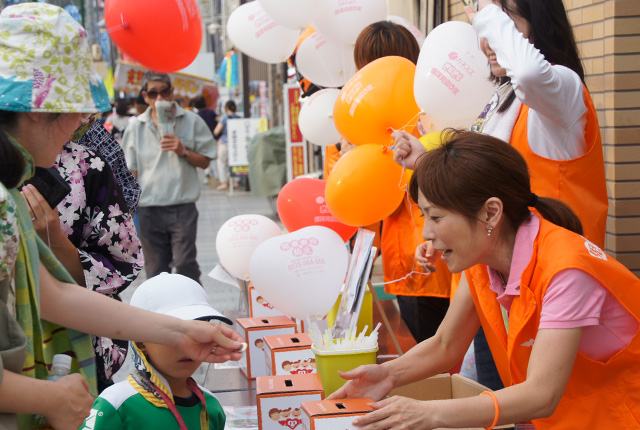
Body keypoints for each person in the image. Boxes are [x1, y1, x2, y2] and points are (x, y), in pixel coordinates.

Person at [0, 5, 244, 430]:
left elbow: (54, 294)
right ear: (36, 109)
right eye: (77, 111)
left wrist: (179, 332)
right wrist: (45, 396)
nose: (83, 125)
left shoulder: (11, 199)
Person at [329, 130, 640, 429]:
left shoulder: (567, 271)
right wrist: (387, 374)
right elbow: (446, 344)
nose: (427, 233)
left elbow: (541, 395)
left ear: (491, 212)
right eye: (425, 217)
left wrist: (428, 412)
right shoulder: (482, 255)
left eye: (436, 217)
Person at [392, 0, 608, 388]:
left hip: (554, 298)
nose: (488, 40)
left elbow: (527, 70)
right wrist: (427, 167)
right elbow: (482, 186)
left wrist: (484, 10)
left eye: (508, 20)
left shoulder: (562, 93)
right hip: (496, 291)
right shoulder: (501, 101)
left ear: (540, 24)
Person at [354, 21, 454, 343]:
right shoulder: (430, 109)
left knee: (430, 362)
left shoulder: (413, 122)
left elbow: (374, 200)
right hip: (429, 256)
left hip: (420, 259)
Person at [79, 273, 233, 430]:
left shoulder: (211, 406)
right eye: (175, 335)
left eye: (197, 332)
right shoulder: (116, 405)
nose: (187, 344)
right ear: (141, 341)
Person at [122, 72, 216, 284]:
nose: (160, 98)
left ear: (172, 92)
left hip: (182, 207)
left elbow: (206, 161)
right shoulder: (136, 126)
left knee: (185, 264)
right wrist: (128, 211)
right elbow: (131, 171)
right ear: (145, 96)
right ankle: (162, 315)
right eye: (153, 93)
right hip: (148, 208)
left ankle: (193, 312)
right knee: (156, 270)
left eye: (164, 92)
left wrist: (183, 151)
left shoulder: (191, 120)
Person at [213, 100, 239, 191]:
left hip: (225, 143)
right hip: (237, 144)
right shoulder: (239, 118)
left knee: (222, 163)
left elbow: (216, 131)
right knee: (235, 162)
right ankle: (236, 182)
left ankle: (224, 183)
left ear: (226, 108)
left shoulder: (225, 118)